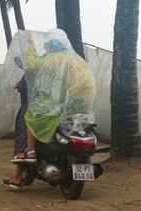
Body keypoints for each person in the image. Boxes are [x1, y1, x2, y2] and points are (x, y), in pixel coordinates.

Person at [11, 29, 96, 165]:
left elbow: (31, 64)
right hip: (80, 106)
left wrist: (31, 44)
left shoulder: (49, 59)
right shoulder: (77, 60)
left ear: (48, 44)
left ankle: (31, 151)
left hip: (56, 103)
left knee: (30, 115)